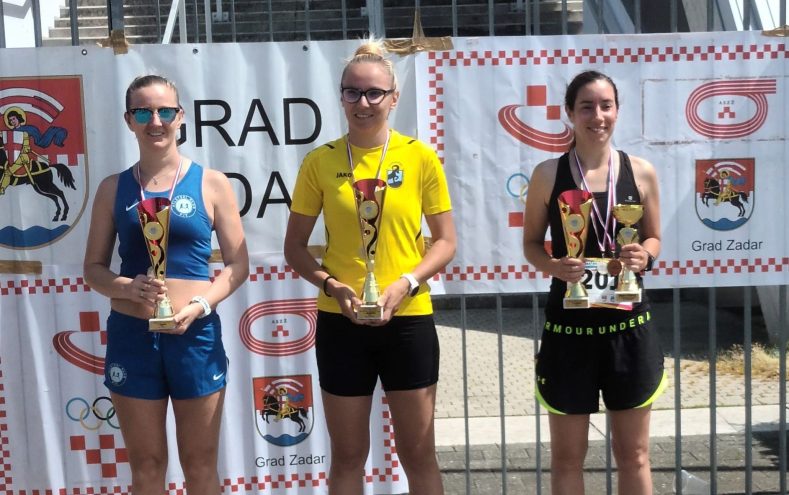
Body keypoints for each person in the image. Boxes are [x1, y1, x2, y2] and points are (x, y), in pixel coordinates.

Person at [283, 39, 456, 495]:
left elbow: (446, 242)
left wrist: (407, 283)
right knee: (347, 456)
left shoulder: (419, 157)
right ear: (341, 97)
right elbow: (295, 248)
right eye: (353, 92)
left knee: (418, 454)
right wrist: (332, 285)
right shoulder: (320, 162)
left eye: (374, 93)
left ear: (393, 98)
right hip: (341, 322)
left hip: (408, 319)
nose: (363, 103)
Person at [84, 74, 248, 495]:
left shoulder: (211, 183)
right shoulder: (112, 188)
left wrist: (201, 306)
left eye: (164, 111)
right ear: (129, 120)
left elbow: (237, 265)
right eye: (143, 113)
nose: (155, 122)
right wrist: (125, 287)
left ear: (180, 117)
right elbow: (93, 269)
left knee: (200, 465)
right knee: (147, 465)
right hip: (132, 337)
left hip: (195, 336)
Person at [522, 70, 667, 495]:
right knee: (568, 459)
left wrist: (645, 255)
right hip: (570, 332)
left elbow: (654, 237)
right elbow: (531, 244)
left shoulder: (641, 172)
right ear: (569, 113)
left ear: (617, 111)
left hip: (628, 329)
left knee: (634, 455)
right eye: (586, 107)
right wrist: (554, 267)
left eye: (606, 106)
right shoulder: (548, 174)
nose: (597, 116)